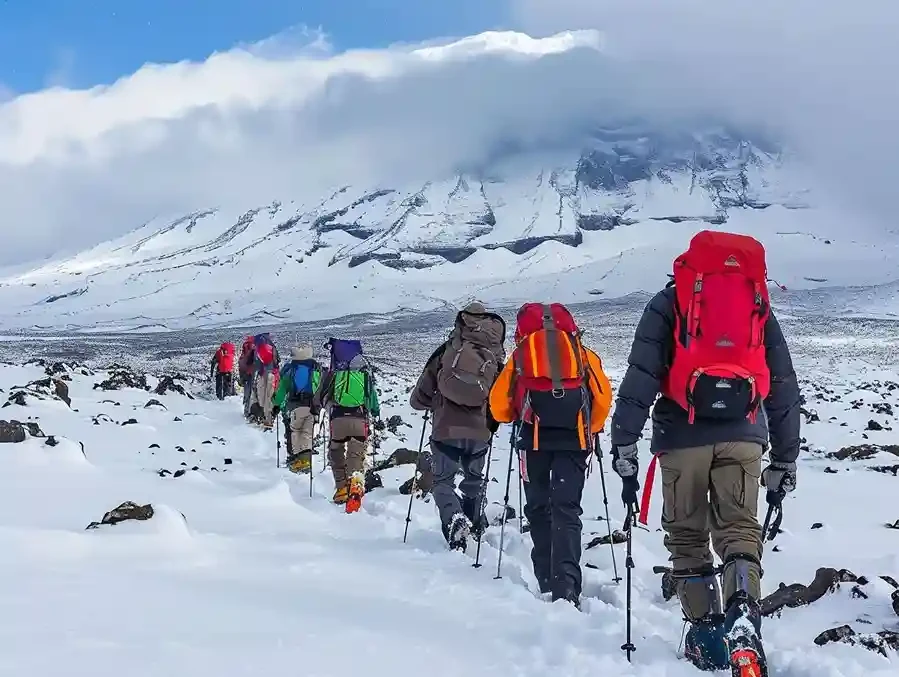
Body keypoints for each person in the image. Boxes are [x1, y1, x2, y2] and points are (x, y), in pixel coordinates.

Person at [610, 231, 800, 674]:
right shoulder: (755, 304)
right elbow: (784, 388)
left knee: (688, 538)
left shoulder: (668, 302)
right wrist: (785, 458)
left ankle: (708, 639)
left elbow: (640, 379)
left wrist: (624, 444)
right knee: (739, 531)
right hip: (746, 435)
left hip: (682, 436)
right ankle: (743, 619)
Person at [489, 302, 612, 608]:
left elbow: (498, 406)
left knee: (539, 508)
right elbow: (602, 398)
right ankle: (567, 585)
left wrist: (519, 414)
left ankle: (545, 578)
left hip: (533, 441)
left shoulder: (520, 355)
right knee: (567, 510)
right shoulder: (582, 353)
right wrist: (589, 429)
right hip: (574, 441)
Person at [410, 301, 506, 551]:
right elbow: (502, 397)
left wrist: (428, 402)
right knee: (474, 480)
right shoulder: (495, 357)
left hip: (446, 429)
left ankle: (454, 519)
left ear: (461, 321)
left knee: (443, 481)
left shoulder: (447, 351)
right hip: (480, 432)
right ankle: (473, 526)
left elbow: (419, 396)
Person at [320, 339, 380, 510]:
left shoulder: (334, 373)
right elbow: (372, 400)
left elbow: (323, 395)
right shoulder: (364, 375)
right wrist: (375, 412)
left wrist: (326, 407)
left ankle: (341, 489)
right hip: (359, 419)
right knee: (356, 455)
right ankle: (355, 488)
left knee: (336, 452)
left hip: (338, 419)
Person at [272, 344, 323, 474]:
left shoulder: (290, 370)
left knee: (296, 431)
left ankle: (299, 460)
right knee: (307, 433)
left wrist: (276, 403)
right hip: (314, 406)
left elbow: (281, 391)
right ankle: (305, 460)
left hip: (295, 406)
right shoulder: (316, 369)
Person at [250, 333, 280, 428]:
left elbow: (256, 363)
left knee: (262, 396)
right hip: (273, 373)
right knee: (269, 396)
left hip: (264, 374)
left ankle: (265, 418)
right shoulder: (271, 346)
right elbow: (277, 361)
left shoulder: (259, 348)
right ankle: (268, 418)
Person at [238, 336, 256, 417]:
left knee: (247, 393)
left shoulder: (245, 350)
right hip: (254, 374)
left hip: (246, 374)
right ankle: (252, 412)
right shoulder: (256, 348)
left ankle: (246, 411)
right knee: (254, 393)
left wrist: (241, 376)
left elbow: (241, 363)